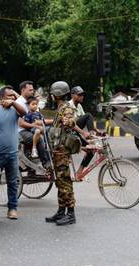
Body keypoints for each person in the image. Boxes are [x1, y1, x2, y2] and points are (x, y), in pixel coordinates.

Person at [45, 81, 87, 226]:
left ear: (55, 95)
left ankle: (70, 214)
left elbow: (71, 121)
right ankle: (61, 210)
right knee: (60, 181)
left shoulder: (66, 108)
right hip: (58, 151)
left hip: (62, 151)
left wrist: (67, 121)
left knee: (65, 182)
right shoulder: (61, 107)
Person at [0, 85, 26, 219]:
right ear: (2, 98)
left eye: (13, 96)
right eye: (9, 96)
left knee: (12, 182)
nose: (12, 98)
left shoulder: (16, 111)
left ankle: (12, 208)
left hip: (12, 153)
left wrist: (14, 102)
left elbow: (24, 113)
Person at [17, 81, 52, 168]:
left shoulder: (32, 102)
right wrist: (35, 125)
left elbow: (39, 119)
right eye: (30, 90)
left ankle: (50, 156)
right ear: (23, 90)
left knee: (49, 131)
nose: (32, 92)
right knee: (39, 138)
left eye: (33, 90)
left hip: (30, 129)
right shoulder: (19, 103)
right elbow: (21, 124)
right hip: (21, 131)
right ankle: (46, 163)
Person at [68, 86, 101, 179]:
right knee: (88, 115)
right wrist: (84, 133)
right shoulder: (68, 106)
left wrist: (97, 131)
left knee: (91, 151)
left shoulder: (79, 106)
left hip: (76, 132)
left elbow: (86, 120)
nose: (82, 97)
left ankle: (79, 173)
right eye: (79, 95)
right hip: (69, 132)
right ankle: (91, 136)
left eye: (82, 95)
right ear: (73, 95)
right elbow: (72, 124)